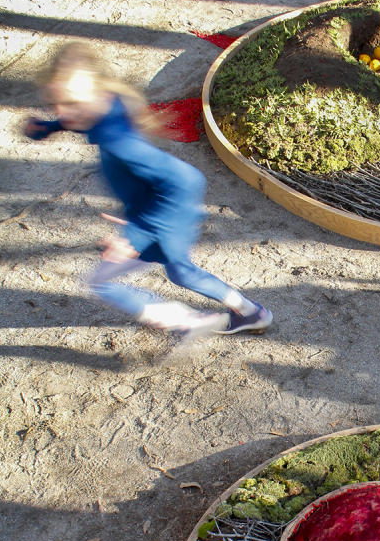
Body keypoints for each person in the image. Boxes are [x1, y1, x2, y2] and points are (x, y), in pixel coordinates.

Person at [24, 41, 272, 342]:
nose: (63, 112)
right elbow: (79, 119)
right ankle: (251, 312)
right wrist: (50, 127)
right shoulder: (105, 108)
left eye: (70, 104)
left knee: (102, 281)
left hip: (161, 217)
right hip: (166, 215)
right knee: (182, 273)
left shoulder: (118, 142)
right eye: (56, 104)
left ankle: (185, 320)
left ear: (93, 94)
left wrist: (132, 238)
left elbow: (187, 180)